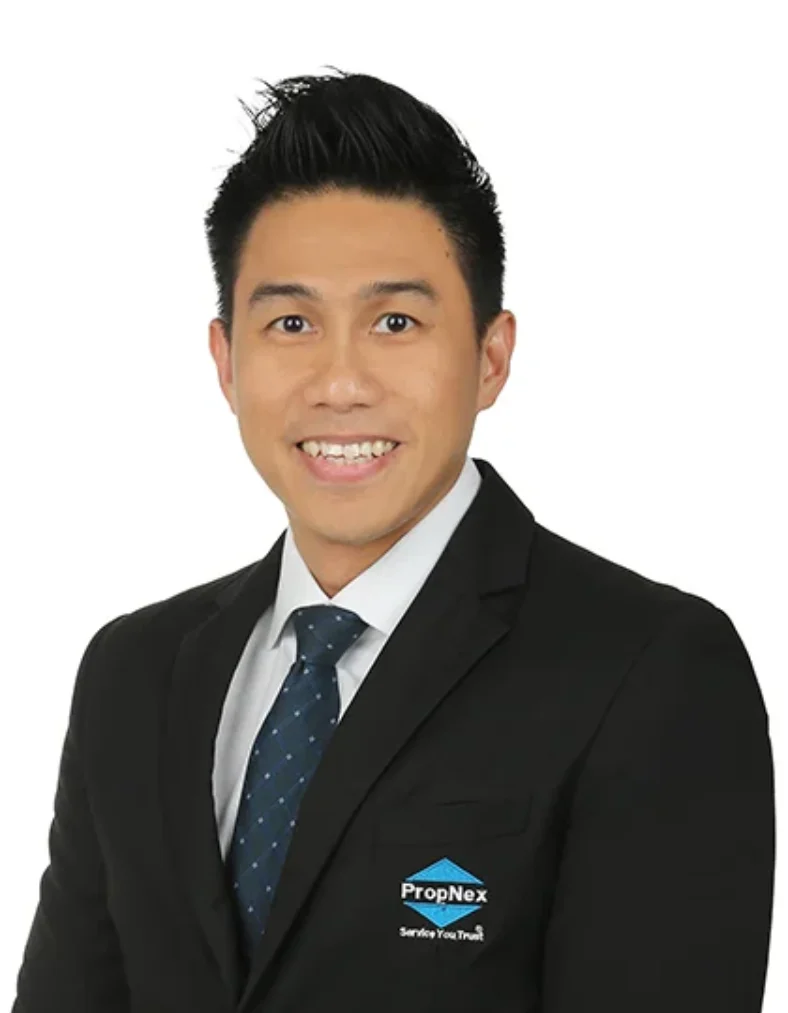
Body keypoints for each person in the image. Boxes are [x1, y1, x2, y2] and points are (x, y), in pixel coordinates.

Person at [12, 68, 774, 1013]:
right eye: (292, 322)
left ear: (491, 356)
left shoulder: (650, 671)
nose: (341, 383)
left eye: (396, 321)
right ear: (226, 360)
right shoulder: (134, 673)